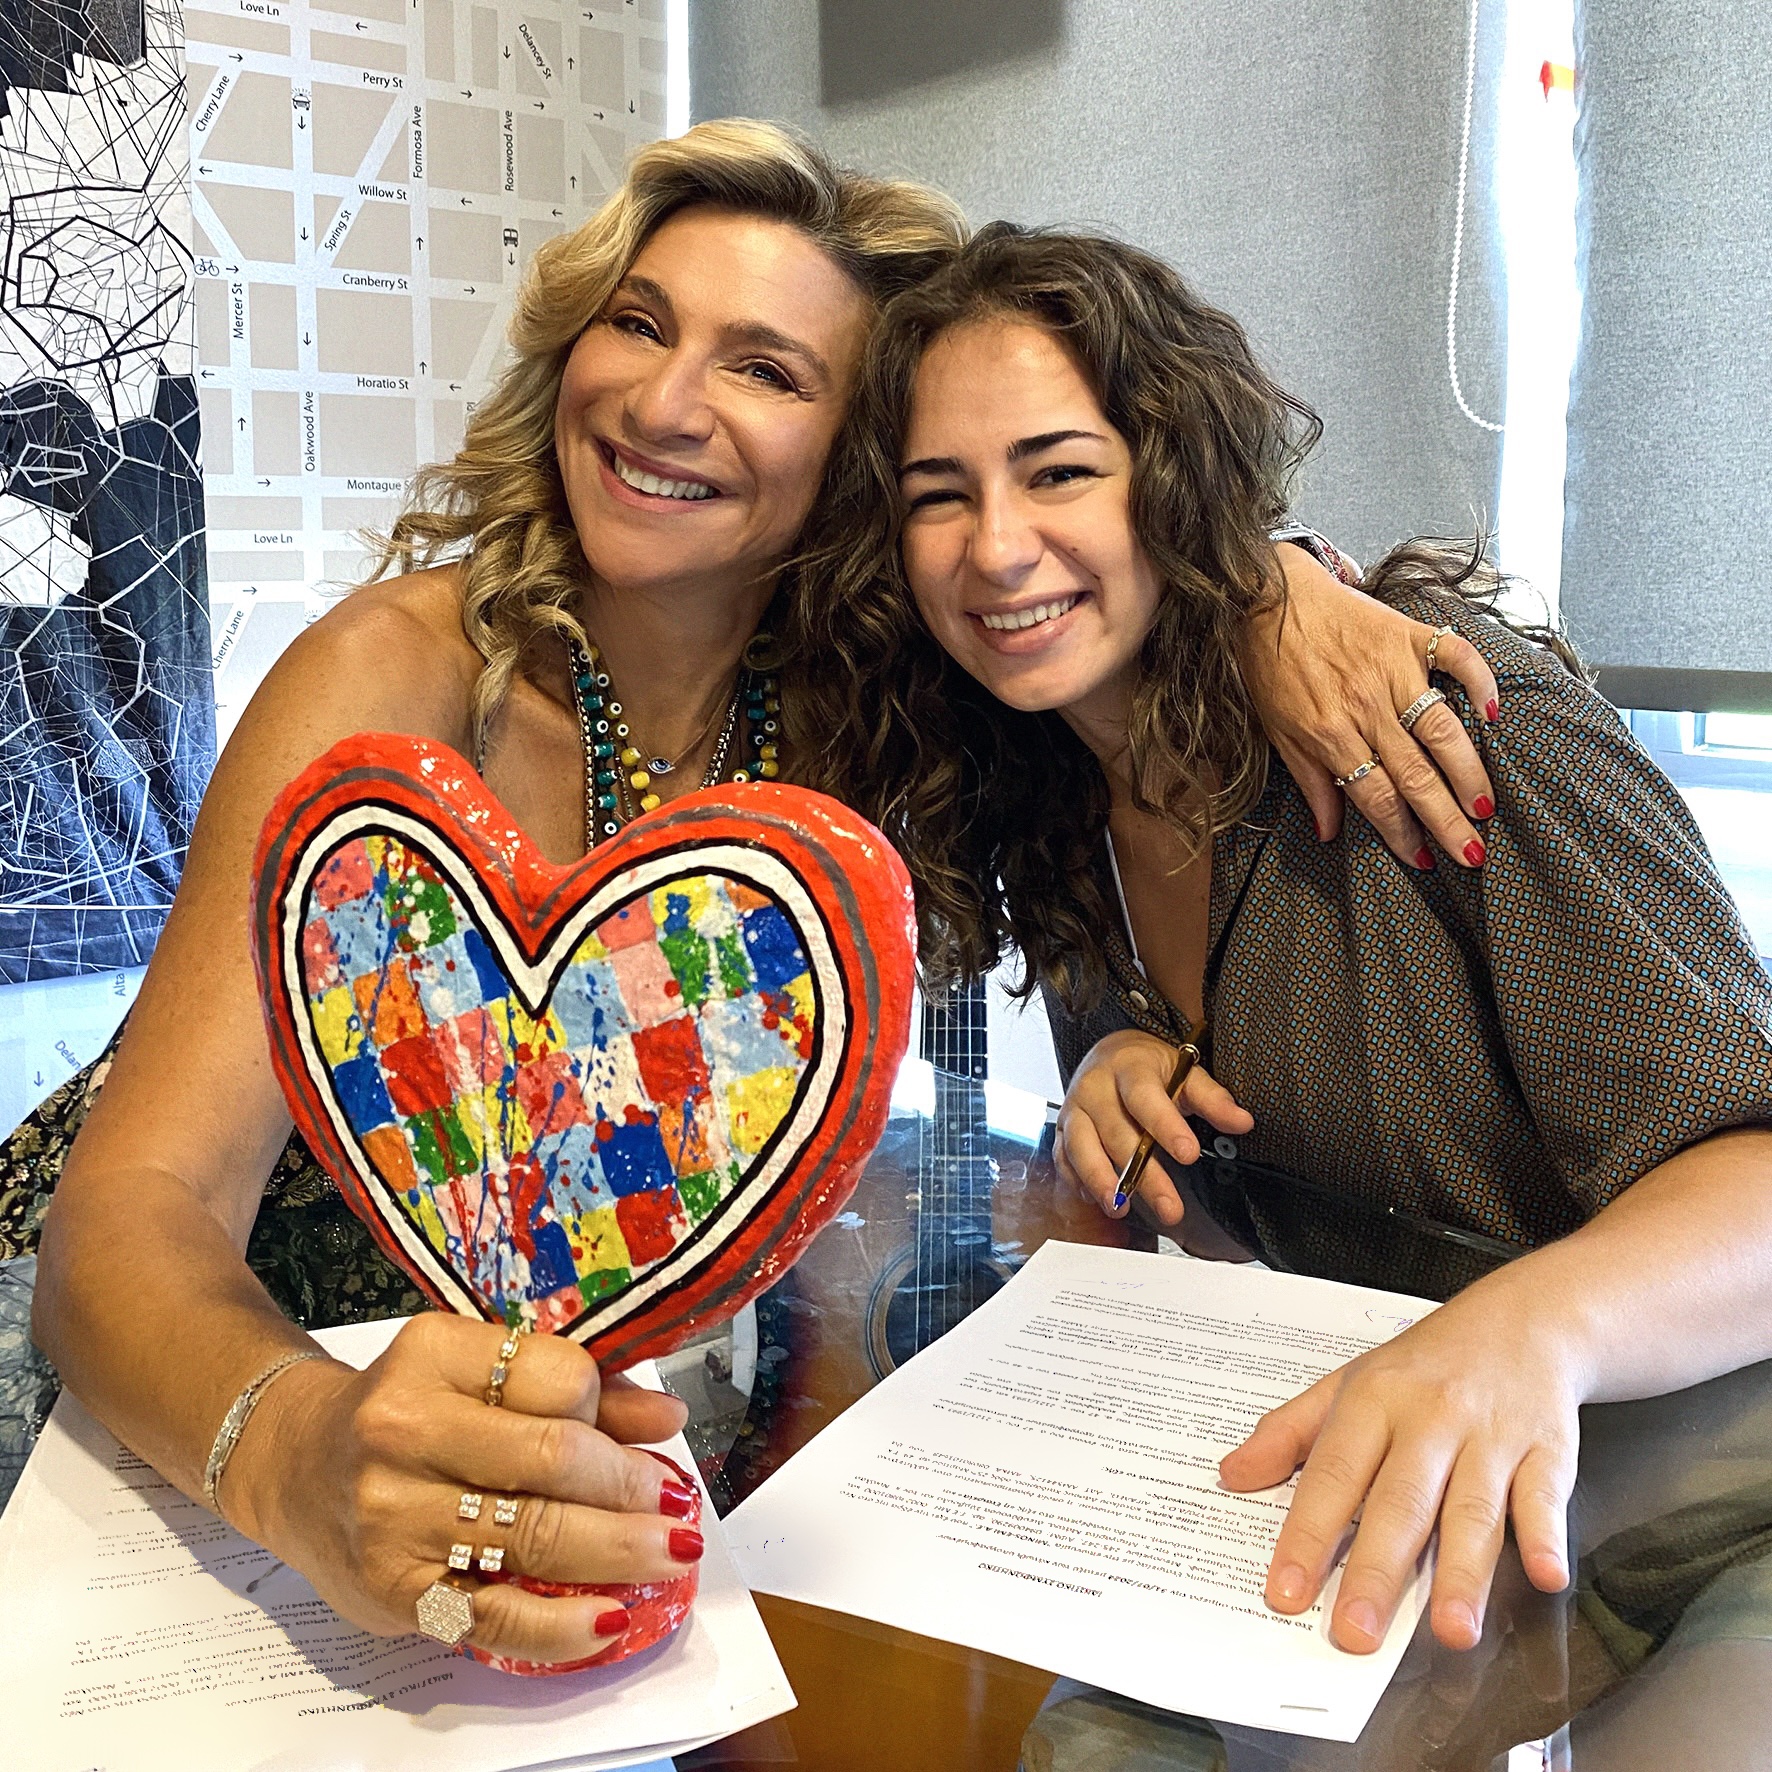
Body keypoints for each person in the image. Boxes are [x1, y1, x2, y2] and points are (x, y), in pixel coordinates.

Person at [18, 122, 1495, 1661]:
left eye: (767, 370)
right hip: (202, 1416)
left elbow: (1082, 562)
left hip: (583, 1458)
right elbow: (129, 1217)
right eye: (639, 324)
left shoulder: (879, 717)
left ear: (864, 460)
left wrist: (1268, 589)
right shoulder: (396, 676)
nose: (662, 402)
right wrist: (298, 1454)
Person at [794, 220, 1772, 1659]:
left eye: (1060, 471)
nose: (996, 548)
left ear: (1177, 479)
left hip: (1686, 1495)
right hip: (1384, 1510)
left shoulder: (1437, 719)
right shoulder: (1042, 789)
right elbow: (1252, 1224)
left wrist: (1534, 1327)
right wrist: (1121, 1069)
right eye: (940, 497)